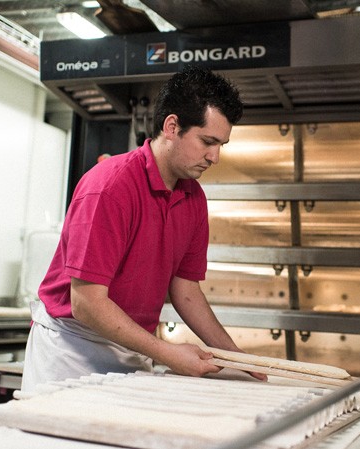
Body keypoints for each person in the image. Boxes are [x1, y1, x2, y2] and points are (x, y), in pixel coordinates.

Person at [21, 66, 266, 391]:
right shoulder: (110, 186)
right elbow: (87, 303)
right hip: (71, 350)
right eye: (208, 141)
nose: (215, 157)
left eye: (222, 144)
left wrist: (236, 358)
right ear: (172, 126)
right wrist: (167, 353)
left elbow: (186, 291)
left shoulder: (193, 198)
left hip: (131, 347)